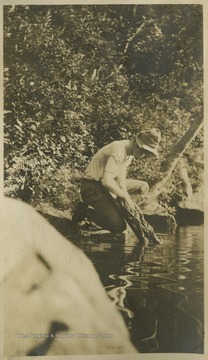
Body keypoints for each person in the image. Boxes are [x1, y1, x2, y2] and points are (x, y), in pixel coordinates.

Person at [71, 128, 161, 239]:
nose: (145, 157)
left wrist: (127, 200)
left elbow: (121, 181)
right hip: (92, 188)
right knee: (118, 226)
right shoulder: (119, 152)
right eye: (145, 153)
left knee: (143, 187)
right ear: (139, 147)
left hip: (104, 185)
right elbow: (107, 181)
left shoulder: (128, 154)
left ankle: (120, 208)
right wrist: (124, 196)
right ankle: (85, 212)